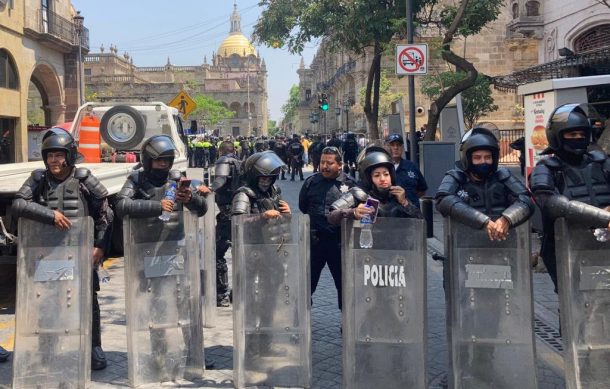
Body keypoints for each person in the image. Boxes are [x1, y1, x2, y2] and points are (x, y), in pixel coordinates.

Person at [12, 128, 113, 370]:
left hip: (79, 253)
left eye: (59, 155)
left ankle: (93, 346)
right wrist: (49, 215)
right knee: (47, 302)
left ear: (69, 155)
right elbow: (18, 204)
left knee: (88, 301)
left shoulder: (84, 178)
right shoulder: (39, 179)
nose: (54, 161)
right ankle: (47, 347)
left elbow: (106, 215)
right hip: (47, 254)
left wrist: (100, 248)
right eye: (50, 156)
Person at [114, 135, 212, 369]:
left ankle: (193, 355)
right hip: (148, 251)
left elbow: (202, 209)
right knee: (156, 305)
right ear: (148, 161)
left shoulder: (177, 179)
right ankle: (159, 354)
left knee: (186, 304)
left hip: (177, 249)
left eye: (167, 161)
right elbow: (121, 206)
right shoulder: (136, 179)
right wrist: (156, 206)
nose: (164, 166)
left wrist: (190, 198)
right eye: (159, 161)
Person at [530, 104, 610, 292]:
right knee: (574, 302)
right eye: (571, 135)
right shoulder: (547, 168)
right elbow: (550, 203)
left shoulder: (602, 162)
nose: (578, 139)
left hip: (605, 244)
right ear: (557, 136)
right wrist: (603, 217)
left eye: (581, 134)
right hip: (565, 247)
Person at [435, 127, 533, 239]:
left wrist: (507, 218)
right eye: (477, 158)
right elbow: (442, 200)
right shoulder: (456, 178)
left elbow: (526, 200)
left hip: (504, 244)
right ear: (467, 159)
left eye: (488, 157)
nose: (483, 161)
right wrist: (483, 221)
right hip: (465, 246)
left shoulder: (503, 176)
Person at [299, 146, 357, 311]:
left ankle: (347, 322)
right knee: (306, 283)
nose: (324, 166)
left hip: (339, 243)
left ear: (340, 165)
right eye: (322, 162)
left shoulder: (350, 184)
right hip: (315, 243)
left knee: (344, 284)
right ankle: (303, 318)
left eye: (329, 163)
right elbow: (303, 206)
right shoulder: (311, 182)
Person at [197, 141, 242, 307]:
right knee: (241, 255)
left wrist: (210, 189)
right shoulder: (241, 163)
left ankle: (222, 294)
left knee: (217, 254)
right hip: (241, 213)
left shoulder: (224, 161)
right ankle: (238, 293)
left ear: (220, 151)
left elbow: (221, 179)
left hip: (227, 215)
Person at [232, 151, 291, 217]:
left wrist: (286, 214)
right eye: (263, 178)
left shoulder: (274, 191)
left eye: (270, 178)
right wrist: (262, 217)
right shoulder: (243, 195)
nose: (267, 182)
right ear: (253, 176)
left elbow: (283, 221)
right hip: (254, 227)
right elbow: (238, 221)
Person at [385, 133, 428, 207]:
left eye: (398, 145)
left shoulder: (411, 166)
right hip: (390, 213)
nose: (396, 148)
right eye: (392, 145)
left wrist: (410, 199)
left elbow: (422, 190)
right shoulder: (382, 167)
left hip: (411, 213)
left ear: (402, 147)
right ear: (386, 147)